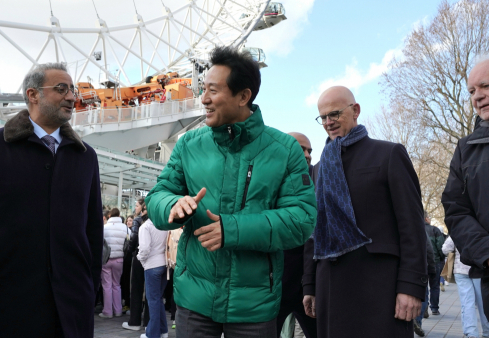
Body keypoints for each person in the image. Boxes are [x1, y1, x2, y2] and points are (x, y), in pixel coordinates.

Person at [145, 46, 317, 338]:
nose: (204, 99)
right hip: (193, 300)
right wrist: (172, 205)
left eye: (213, 90)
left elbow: (301, 219)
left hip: (254, 306)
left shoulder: (284, 150)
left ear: (243, 96)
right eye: (203, 89)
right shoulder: (188, 145)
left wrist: (232, 230)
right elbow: (158, 195)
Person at [0, 62, 104, 338]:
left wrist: (89, 288)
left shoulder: (85, 157)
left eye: (72, 89)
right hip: (4, 308)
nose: (72, 97)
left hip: (71, 308)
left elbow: (93, 231)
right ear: (33, 94)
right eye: (61, 89)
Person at [303, 86, 426, 338]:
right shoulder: (318, 169)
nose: (328, 122)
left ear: (355, 110)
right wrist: (310, 285)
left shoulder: (389, 154)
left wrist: (411, 286)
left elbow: (412, 227)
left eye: (334, 114)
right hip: (330, 285)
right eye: (323, 117)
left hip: (379, 286)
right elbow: (313, 233)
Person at [442, 51, 489, 337]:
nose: (477, 96)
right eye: (472, 90)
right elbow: (456, 211)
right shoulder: (466, 150)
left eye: (486, 86)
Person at [276, 132, 317, 338]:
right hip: (275, 283)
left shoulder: (320, 179)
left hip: (308, 283)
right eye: (302, 149)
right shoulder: (268, 181)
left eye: (310, 150)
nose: (308, 154)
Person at [442, 236, 489, 338]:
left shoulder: (457, 230)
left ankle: (471, 332)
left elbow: (446, 249)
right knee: (483, 301)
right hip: (479, 269)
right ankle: (488, 331)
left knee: (467, 302)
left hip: (461, 270)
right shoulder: (480, 230)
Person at [137, 204, 169, 338]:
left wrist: (141, 259)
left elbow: (144, 248)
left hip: (152, 265)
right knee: (158, 299)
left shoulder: (145, 227)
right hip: (165, 263)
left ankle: (153, 334)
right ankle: (163, 330)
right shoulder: (165, 225)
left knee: (153, 301)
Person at [123, 198, 150, 332]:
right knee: (151, 291)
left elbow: (133, 239)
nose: (135, 207)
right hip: (153, 259)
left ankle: (134, 321)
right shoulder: (155, 220)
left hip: (139, 256)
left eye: (137, 205)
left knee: (136, 289)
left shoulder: (138, 221)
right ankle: (148, 323)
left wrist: (130, 251)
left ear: (143, 208)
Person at [100, 208, 129, 319]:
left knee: (106, 285)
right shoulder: (125, 227)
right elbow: (130, 240)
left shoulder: (104, 227)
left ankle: (107, 311)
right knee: (116, 285)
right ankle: (118, 310)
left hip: (106, 259)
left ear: (110, 215)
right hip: (119, 260)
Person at [413, 232, 437, 337]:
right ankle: (417, 321)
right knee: (423, 295)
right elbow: (429, 250)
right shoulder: (419, 227)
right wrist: (432, 268)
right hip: (420, 267)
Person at [424, 211, 445, 315]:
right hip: (435, 261)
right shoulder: (435, 230)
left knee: (423, 286)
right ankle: (434, 308)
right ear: (426, 219)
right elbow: (441, 247)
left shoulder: (416, 229)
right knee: (435, 286)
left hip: (422, 262)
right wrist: (441, 258)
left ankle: (424, 307)